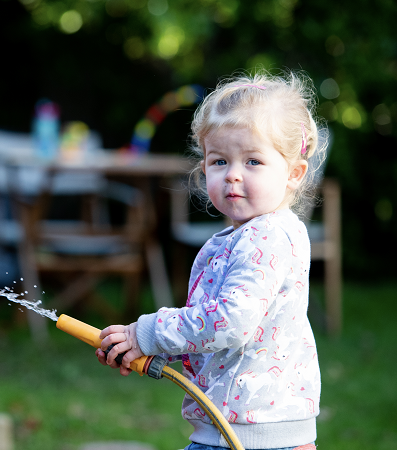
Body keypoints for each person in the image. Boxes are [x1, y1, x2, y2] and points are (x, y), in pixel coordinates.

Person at [96, 71, 327, 450]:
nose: (233, 175)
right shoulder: (259, 233)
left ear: (293, 174)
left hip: (251, 438)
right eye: (220, 161)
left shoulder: (265, 237)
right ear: (203, 169)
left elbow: (230, 322)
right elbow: (231, 343)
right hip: (244, 430)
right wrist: (149, 347)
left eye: (253, 162)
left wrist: (150, 334)